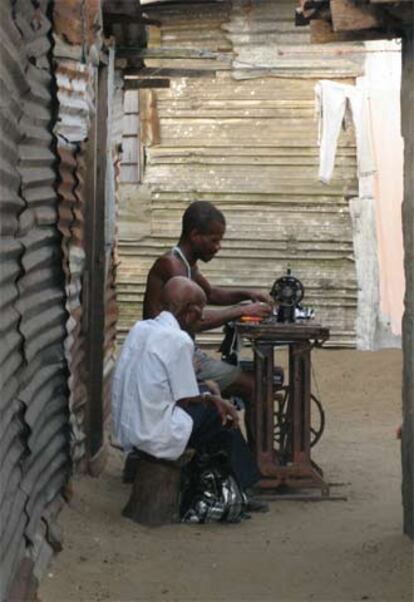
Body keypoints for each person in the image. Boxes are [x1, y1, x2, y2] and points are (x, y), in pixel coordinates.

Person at [112, 276, 260, 497]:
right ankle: (247, 485)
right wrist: (216, 398)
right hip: (152, 434)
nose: (200, 319)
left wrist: (208, 391)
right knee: (221, 418)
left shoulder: (140, 329)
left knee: (210, 402)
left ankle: (214, 481)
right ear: (190, 312)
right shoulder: (178, 340)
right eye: (199, 314)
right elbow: (186, 398)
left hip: (128, 428)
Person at [143, 200, 273, 409]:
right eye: (214, 240)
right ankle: (256, 443)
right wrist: (243, 310)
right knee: (255, 385)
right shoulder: (171, 265)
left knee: (269, 374)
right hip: (169, 358)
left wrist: (247, 294)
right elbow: (195, 320)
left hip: (182, 353)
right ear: (195, 236)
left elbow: (211, 294)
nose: (218, 247)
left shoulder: (187, 264)